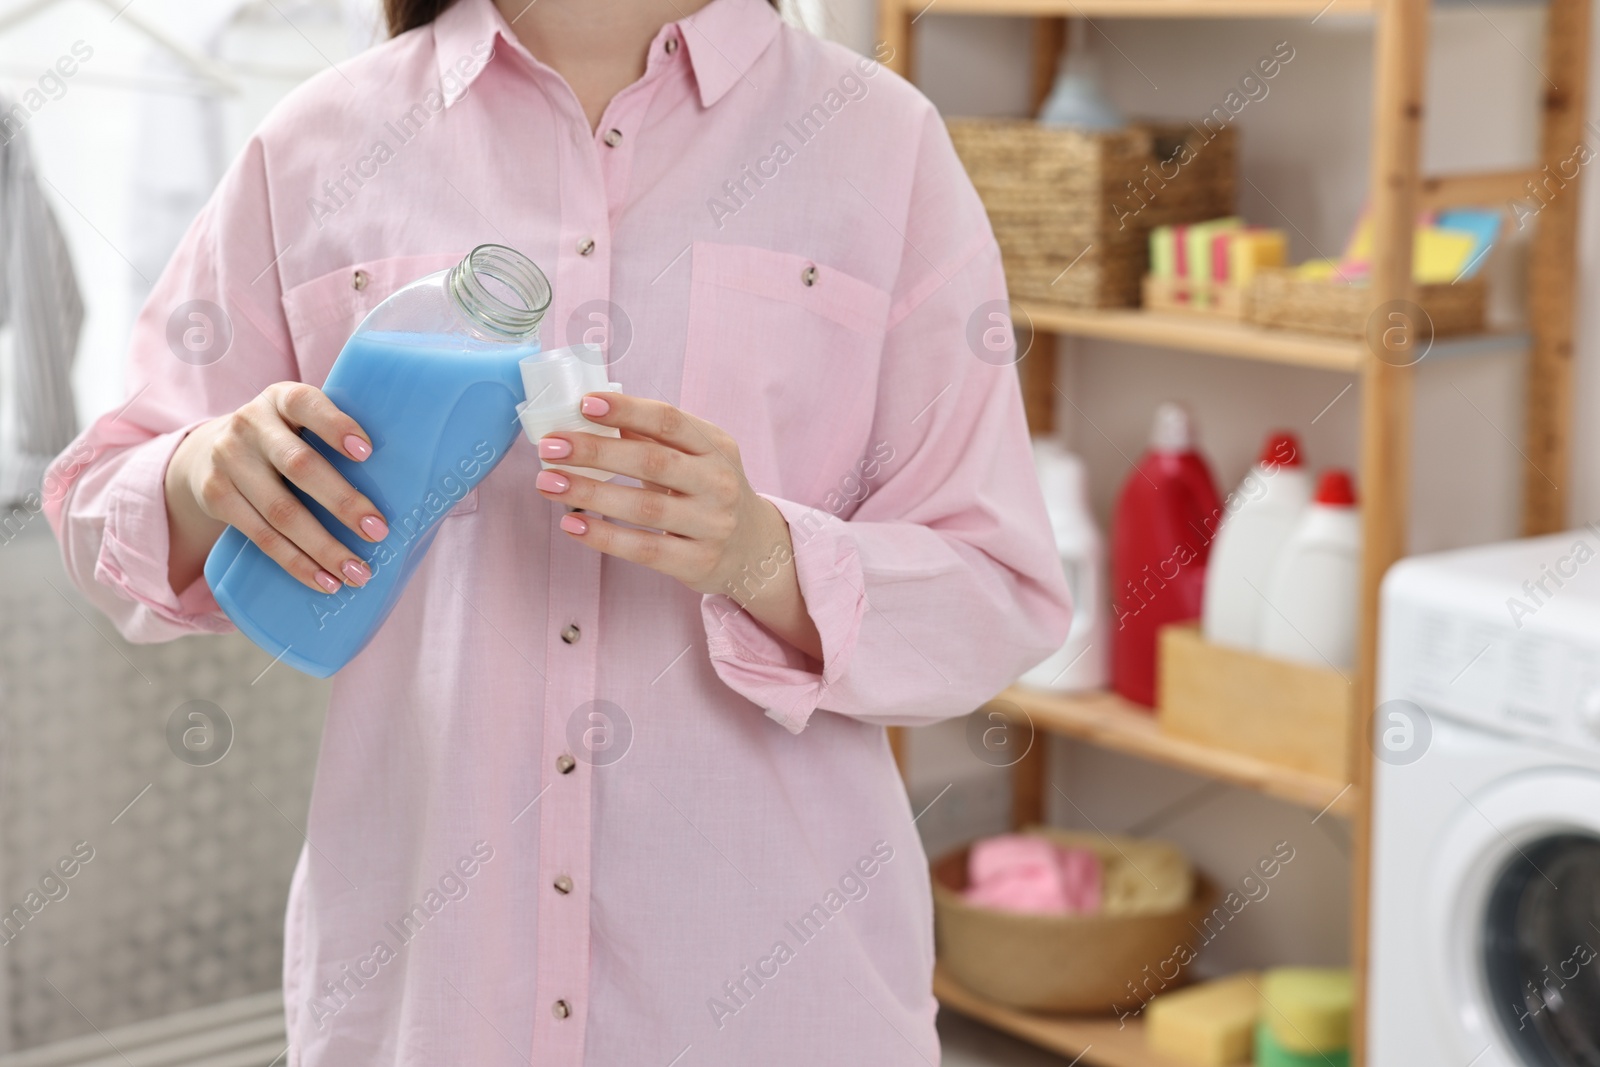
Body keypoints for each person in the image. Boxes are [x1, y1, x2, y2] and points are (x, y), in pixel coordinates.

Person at [45, 0, 1073, 1062]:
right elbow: (94, 503)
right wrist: (202, 471)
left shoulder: (878, 143)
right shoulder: (320, 144)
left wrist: (760, 551)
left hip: (778, 1001)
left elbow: (996, 587)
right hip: (427, 1004)